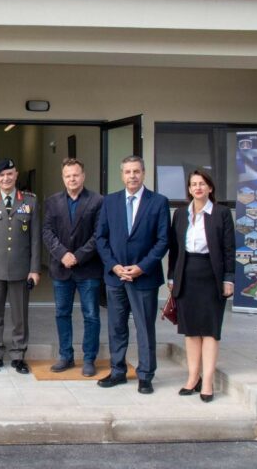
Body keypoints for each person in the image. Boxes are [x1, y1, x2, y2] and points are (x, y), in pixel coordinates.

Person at [95, 155, 169, 394]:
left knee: (144, 327)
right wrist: (114, 266)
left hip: (144, 277)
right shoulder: (110, 201)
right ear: (122, 175)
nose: (132, 176)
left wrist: (141, 267)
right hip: (115, 276)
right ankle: (118, 371)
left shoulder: (158, 202)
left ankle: (145, 375)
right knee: (116, 326)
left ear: (144, 173)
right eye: (127, 172)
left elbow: (162, 240)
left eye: (136, 171)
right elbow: (101, 238)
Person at [168, 169, 235, 402]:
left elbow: (228, 249)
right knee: (191, 331)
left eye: (202, 184)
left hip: (211, 276)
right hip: (186, 275)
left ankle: (207, 382)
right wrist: (172, 277)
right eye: (194, 184)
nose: (198, 188)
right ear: (189, 189)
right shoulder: (180, 214)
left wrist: (229, 278)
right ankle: (192, 378)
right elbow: (174, 249)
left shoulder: (221, 213)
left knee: (209, 331)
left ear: (210, 188)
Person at [0, 158, 40, 375]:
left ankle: (18, 354)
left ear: (16, 175)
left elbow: (35, 239)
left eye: (10, 174)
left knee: (19, 314)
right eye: (2, 175)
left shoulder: (30, 201)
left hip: (21, 268)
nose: (6, 178)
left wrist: (34, 269)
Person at [42, 158, 104, 377]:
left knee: (91, 315)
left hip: (88, 268)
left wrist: (77, 256)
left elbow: (99, 235)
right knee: (62, 313)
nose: (72, 179)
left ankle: (89, 359)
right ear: (63, 177)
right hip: (61, 269)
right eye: (67, 175)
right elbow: (47, 232)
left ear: (83, 176)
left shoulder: (97, 201)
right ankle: (65, 356)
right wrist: (62, 254)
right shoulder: (52, 201)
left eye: (75, 175)